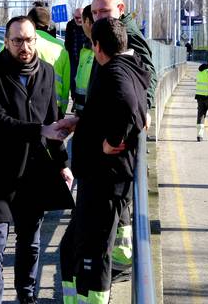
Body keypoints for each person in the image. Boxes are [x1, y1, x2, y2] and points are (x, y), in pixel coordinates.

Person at [0, 16, 74, 304]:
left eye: (29, 40)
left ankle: (27, 297)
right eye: (17, 40)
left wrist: (62, 164)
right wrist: (39, 130)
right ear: (6, 42)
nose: (24, 46)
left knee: (30, 243)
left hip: (34, 172)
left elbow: (53, 121)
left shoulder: (47, 72)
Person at [59, 17, 149, 304]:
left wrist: (112, 140)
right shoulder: (131, 67)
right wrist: (82, 122)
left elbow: (126, 104)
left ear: (97, 46)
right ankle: (74, 299)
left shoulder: (114, 72)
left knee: (93, 253)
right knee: (70, 247)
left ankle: (92, 300)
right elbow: (127, 108)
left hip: (104, 179)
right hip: (100, 178)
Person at [91, 0, 157, 279]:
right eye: (95, 13)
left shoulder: (126, 34)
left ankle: (119, 261)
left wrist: (147, 107)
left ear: (121, 8)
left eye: (104, 12)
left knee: (119, 203)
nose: (98, 17)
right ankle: (121, 255)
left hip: (118, 143)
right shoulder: (108, 33)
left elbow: (146, 75)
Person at [27, 6, 71, 117]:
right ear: (47, 25)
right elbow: (66, 83)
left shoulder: (16, 43)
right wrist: (62, 111)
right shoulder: (60, 47)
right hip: (53, 107)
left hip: (24, 105)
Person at [72, 5, 94, 115]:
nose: (78, 21)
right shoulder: (85, 50)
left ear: (87, 22)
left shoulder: (97, 50)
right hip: (81, 110)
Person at [65, 7, 87, 103]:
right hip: (73, 58)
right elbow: (68, 41)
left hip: (85, 59)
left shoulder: (88, 24)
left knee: (84, 80)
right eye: (76, 17)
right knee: (73, 81)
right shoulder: (70, 25)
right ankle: (74, 99)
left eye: (80, 18)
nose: (78, 20)